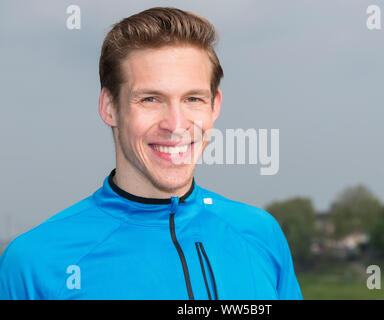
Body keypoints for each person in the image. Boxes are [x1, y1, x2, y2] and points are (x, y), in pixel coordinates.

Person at [0, 7, 302, 300]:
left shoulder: (260, 233)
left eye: (193, 99)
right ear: (109, 107)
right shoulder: (34, 263)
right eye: (150, 99)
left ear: (215, 106)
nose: (175, 125)